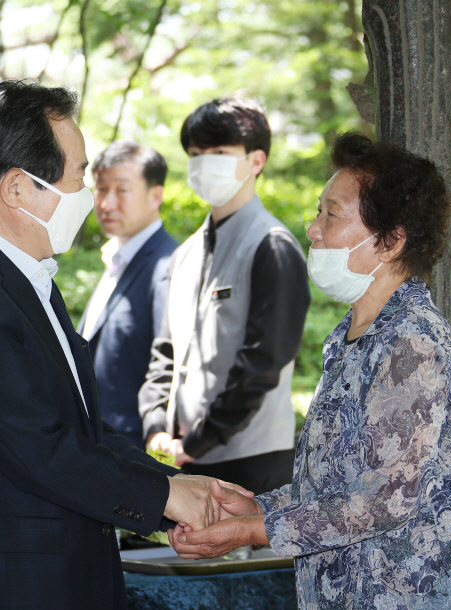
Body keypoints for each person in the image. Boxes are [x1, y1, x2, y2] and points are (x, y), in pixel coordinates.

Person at [0, 80, 248, 610]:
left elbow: (79, 431)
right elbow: (39, 448)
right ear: (18, 188)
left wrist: (179, 489)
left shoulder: (22, 276)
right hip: (5, 586)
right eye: (77, 174)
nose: (87, 192)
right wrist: (166, 497)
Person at [170, 133, 451, 609]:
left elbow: (384, 498)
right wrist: (258, 508)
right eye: (318, 211)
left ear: (390, 242)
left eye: (332, 213)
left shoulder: (409, 340)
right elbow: (336, 484)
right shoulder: (354, 335)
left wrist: (255, 530)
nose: (313, 228)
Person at [139, 96, 310, 495]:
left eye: (219, 151)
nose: (204, 163)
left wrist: (199, 440)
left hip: (253, 461)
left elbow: (263, 362)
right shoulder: (183, 255)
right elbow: (165, 352)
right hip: (185, 457)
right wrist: (154, 426)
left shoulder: (273, 246)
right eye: (196, 154)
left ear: (256, 161)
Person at [76, 141, 177, 449]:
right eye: (101, 189)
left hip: (132, 447)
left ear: (155, 195)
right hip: (95, 444)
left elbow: (167, 361)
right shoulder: (117, 258)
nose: (106, 203)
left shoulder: (168, 264)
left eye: (121, 190)